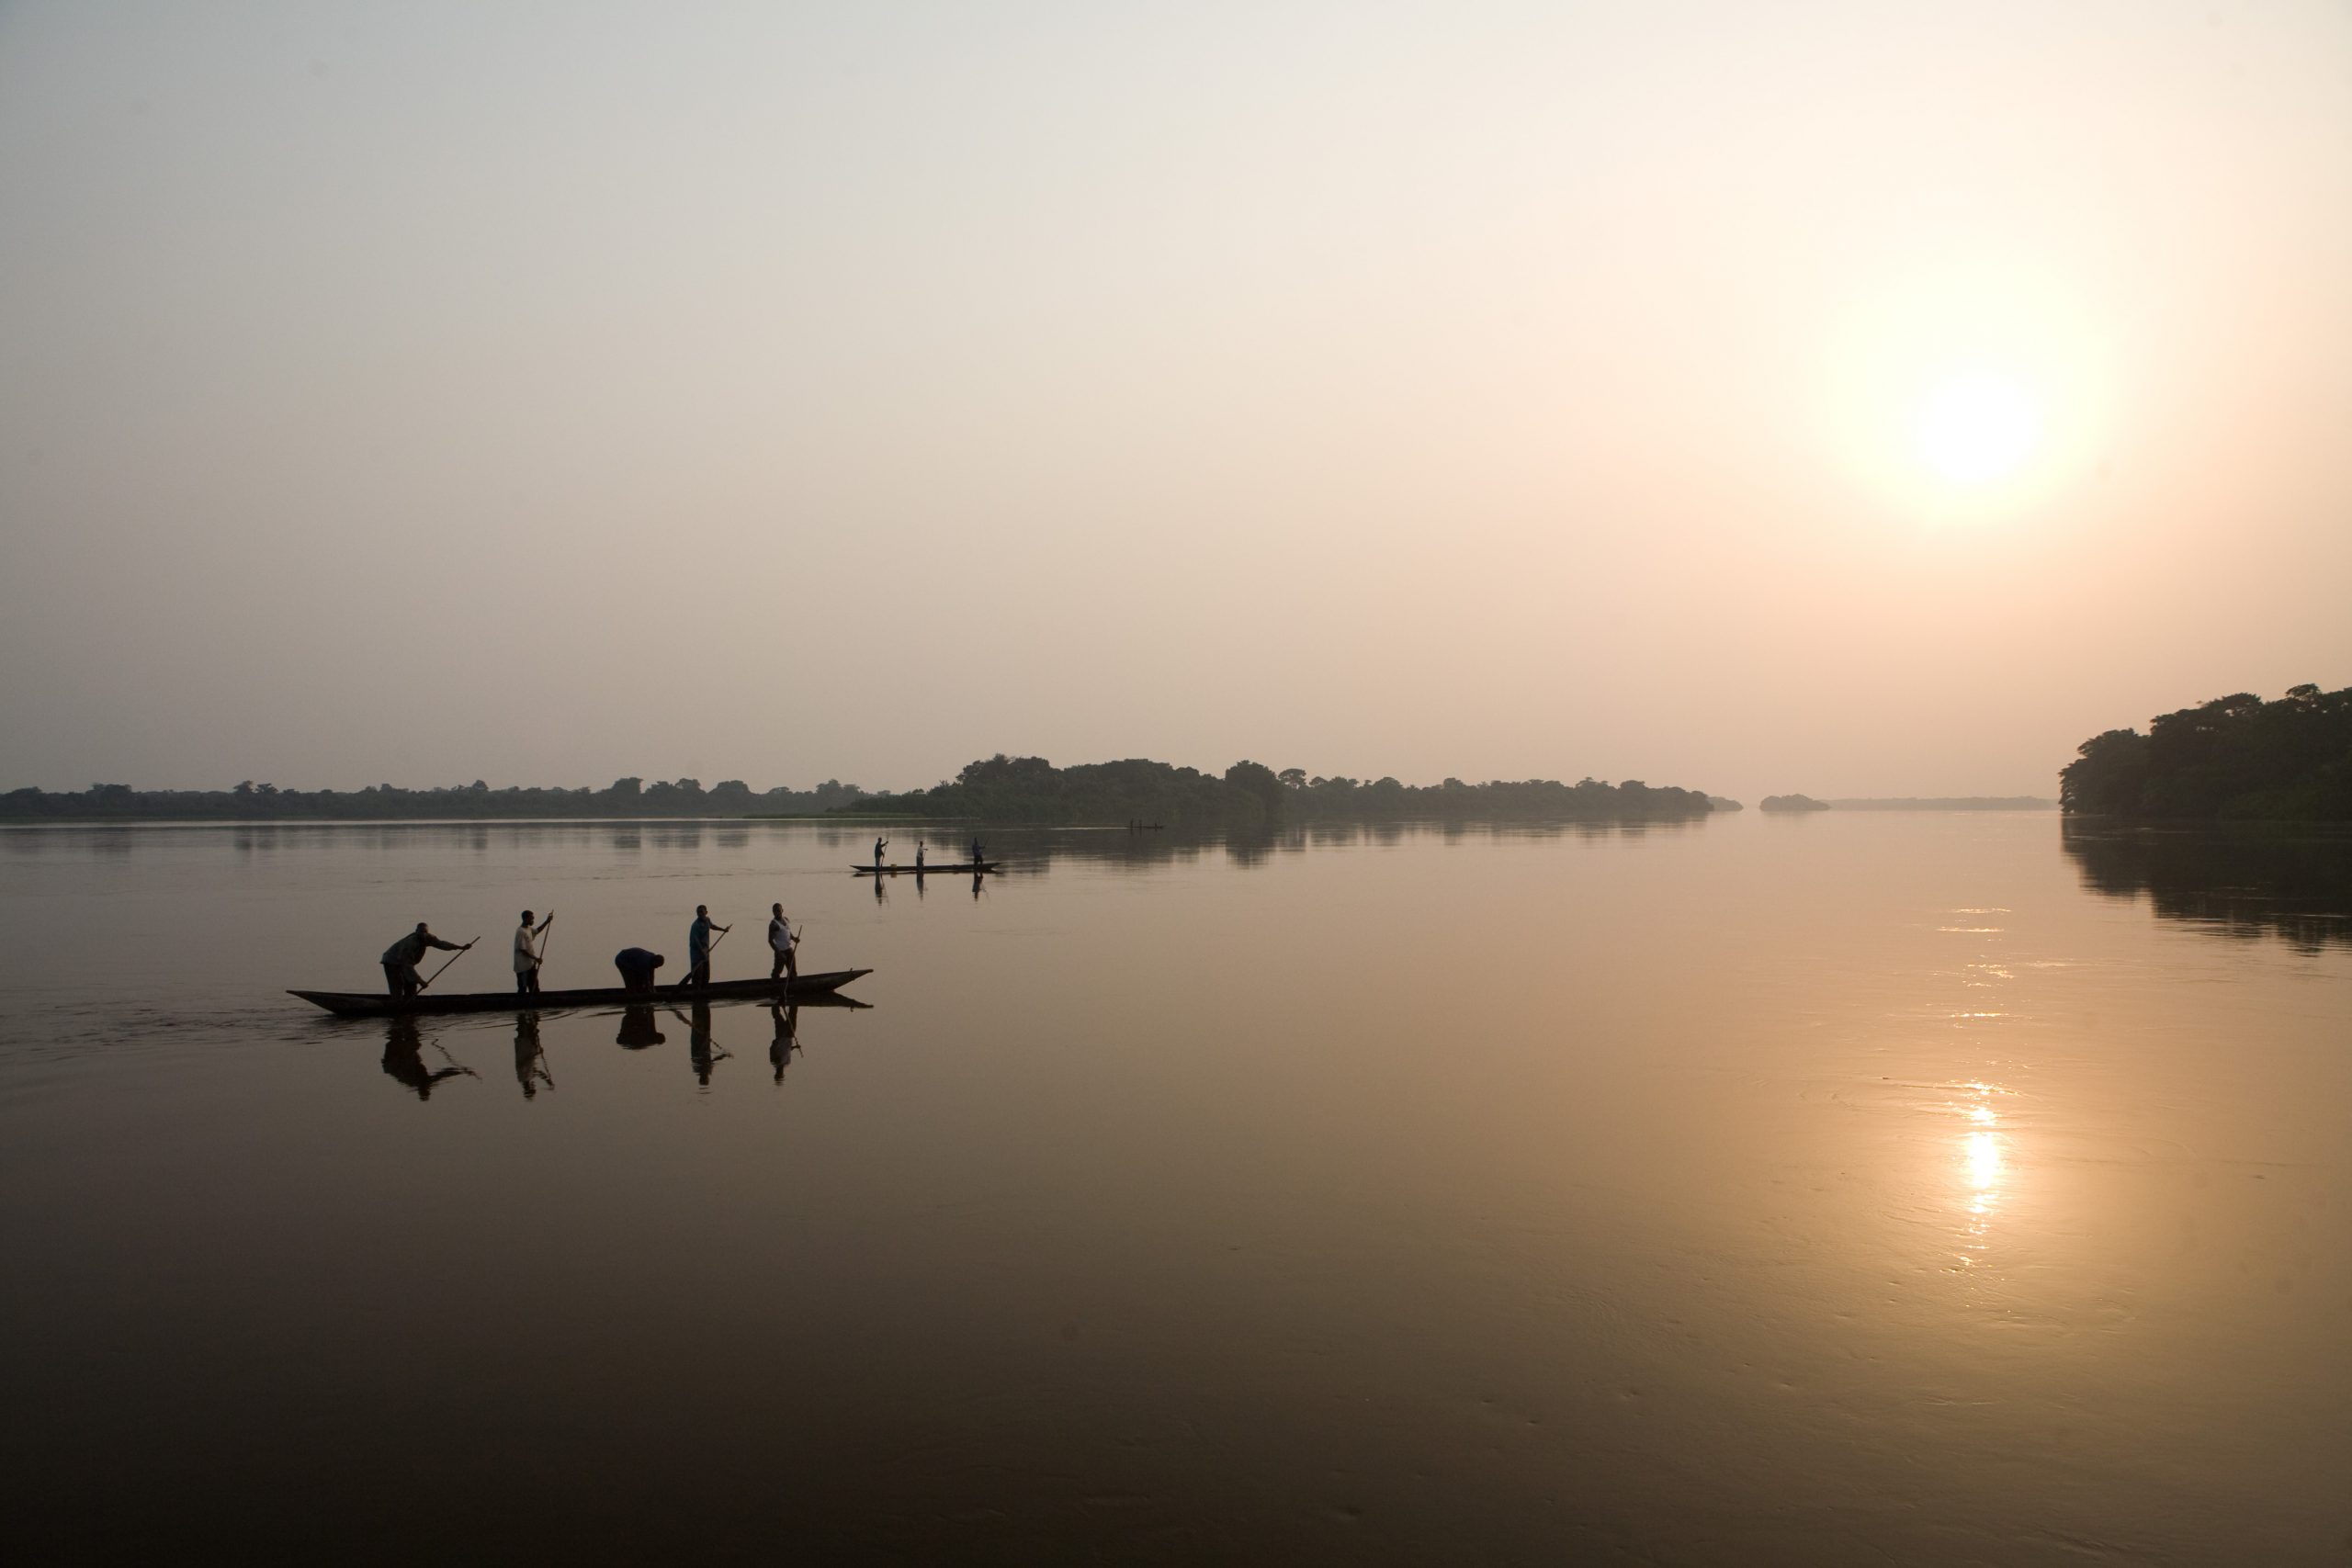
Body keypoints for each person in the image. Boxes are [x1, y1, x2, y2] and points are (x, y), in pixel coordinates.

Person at [382, 922, 467, 997]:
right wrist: (421, 981)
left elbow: (442, 944)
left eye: (425, 932)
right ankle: (397, 1003)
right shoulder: (410, 943)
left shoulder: (429, 938)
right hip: (392, 961)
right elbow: (407, 966)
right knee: (397, 984)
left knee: (411, 983)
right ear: (416, 931)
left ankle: (411, 1001)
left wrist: (460, 947)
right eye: (421, 932)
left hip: (405, 963)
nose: (423, 934)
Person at [686, 905, 729, 987]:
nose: (700, 914)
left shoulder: (707, 920)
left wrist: (723, 929)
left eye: (702, 912)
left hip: (706, 951)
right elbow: (696, 941)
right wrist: (702, 951)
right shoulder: (695, 925)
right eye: (698, 912)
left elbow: (712, 926)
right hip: (697, 953)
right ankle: (697, 991)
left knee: (706, 974)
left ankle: (704, 989)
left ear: (706, 912)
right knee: (697, 974)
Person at [513, 909, 553, 996]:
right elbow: (522, 950)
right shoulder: (520, 932)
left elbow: (537, 931)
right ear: (526, 918)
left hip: (530, 964)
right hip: (522, 967)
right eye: (531, 918)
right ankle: (521, 1006)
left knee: (534, 988)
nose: (533, 920)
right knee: (522, 989)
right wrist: (536, 958)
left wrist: (547, 921)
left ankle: (534, 1006)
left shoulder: (529, 929)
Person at [768, 903, 798, 982]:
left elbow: (787, 931)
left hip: (789, 949)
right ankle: (774, 986)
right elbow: (770, 941)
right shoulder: (773, 924)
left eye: (778, 910)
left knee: (793, 972)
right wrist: (778, 953)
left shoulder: (786, 919)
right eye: (774, 911)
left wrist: (794, 938)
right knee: (777, 972)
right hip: (780, 951)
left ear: (782, 910)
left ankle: (792, 986)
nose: (776, 912)